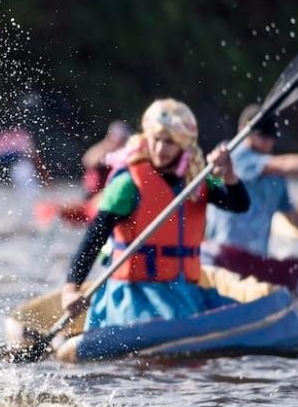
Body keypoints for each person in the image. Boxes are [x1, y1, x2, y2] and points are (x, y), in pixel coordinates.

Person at [61, 98, 250, 329]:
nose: (160, 149)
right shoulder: (128, 185)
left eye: (169, 142)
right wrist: (71, 290)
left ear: (183, 144)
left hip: (184, 291)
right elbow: (93, 239)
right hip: (136, 294)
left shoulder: (196, 181)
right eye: (156, 140)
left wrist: (228, 174)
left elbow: (239, 205)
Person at [204, 104, 298, 283]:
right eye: (262, 135)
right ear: (243, 131)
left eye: (271, 136)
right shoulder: (231, 155)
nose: (268, 141)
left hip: (255, 263)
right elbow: (282, 164)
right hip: (221, 255)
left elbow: (296, 221)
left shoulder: (277, 178)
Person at [80, 119, 131, 197]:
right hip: (92, 194)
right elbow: (87, 161)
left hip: (107, 193)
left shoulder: (125, 151)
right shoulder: (104, 148)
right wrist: (108, 149)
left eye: (123, 139)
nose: (119, 142)